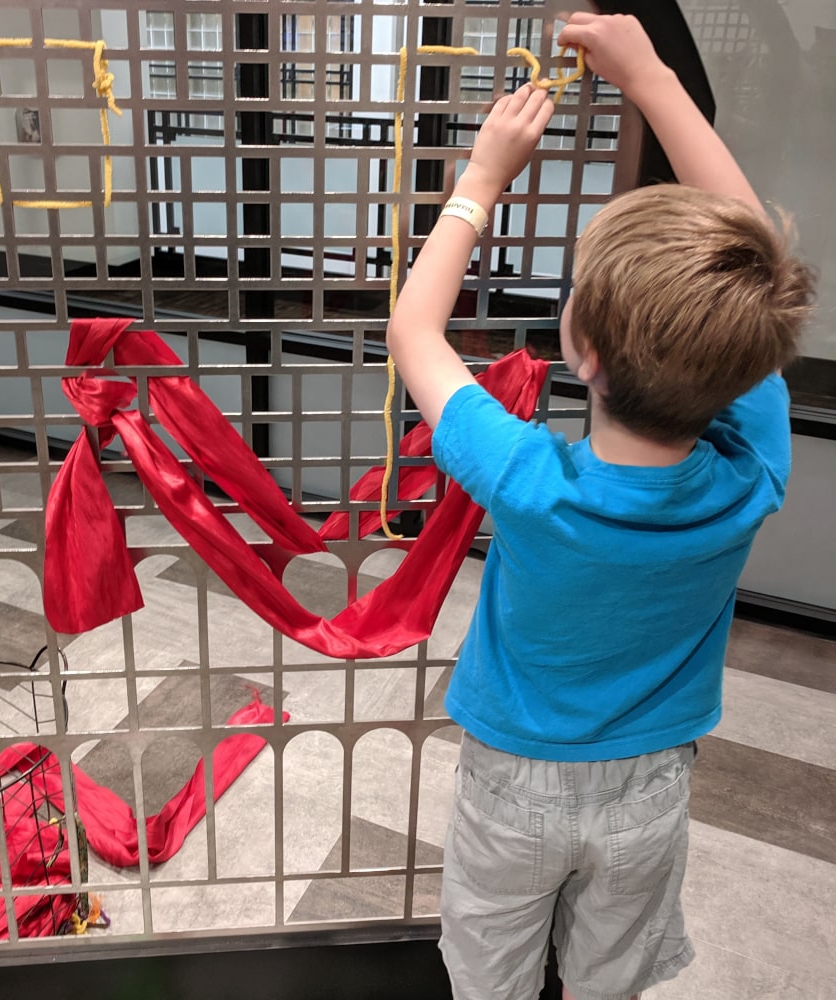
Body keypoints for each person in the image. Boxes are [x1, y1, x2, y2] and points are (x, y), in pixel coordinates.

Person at [385, 12, 815, 1000]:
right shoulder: (753, 467)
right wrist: (652, 78)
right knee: (608, 979)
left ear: (580, 351)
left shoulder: (525, 479)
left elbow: (411, 330)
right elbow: (752, 260)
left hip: (513, 784)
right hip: (650, 782)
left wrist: (481, 178)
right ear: (750, 359)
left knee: (488, 976)